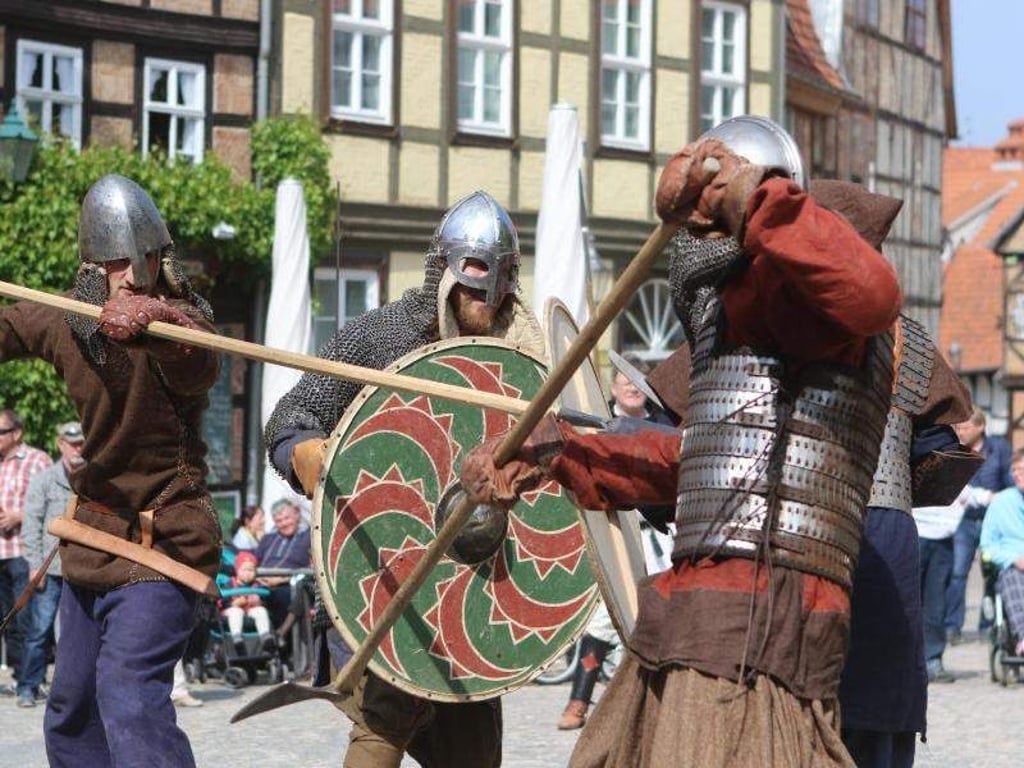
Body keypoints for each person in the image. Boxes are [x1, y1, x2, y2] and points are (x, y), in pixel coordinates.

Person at [461, 118, 903, 766]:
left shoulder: (809, 304)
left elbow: (873, 295)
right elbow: (698, 465)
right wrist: (556, 453)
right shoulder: (743, 332)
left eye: (711, 225)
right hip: (688, 620)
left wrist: (746, 197)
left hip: (764, 629)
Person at [265, 189, 545, 768]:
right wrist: (311, 456)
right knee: (380, 732)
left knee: (472, 758)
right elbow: (291, 416)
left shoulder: (524, 357)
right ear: (443, 274)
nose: (481, 303)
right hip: (391, 580)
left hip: (478, 588)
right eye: (469, 287)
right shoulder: (387, 336)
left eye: (492, 291)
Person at [0, 174, 221, 766]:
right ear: (92, 265)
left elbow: (198, 360)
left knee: (128, 694)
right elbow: (11, 328)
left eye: (140, 260)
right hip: (95, 539)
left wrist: (159, 324)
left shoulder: (180, 323)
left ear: (158, 257)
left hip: (168, 538)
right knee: (71, 707)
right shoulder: (68, 320)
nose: (127, 274)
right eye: (113, 262)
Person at [556, 358, 678, 732]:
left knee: (656, 616)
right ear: (611, 389)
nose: (631, 387)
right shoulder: (593, 425)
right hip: (612, 529)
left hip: (658, 538)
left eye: (636, 382)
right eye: (624, 381)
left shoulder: (666, 428)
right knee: (605, 619)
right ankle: (578, 701)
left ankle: (648, 708)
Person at [16, 422, 86, 709]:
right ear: (60, 445)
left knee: (78, 632)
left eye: (81, 443)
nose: (77, 448)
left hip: (84, 569)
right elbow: (31, 523)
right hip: (51, 567)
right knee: (39, 629)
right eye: (72, 443)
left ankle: (75, 690)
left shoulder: (94, 479)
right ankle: (28, 686)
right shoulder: (45, 480)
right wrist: (34, 564)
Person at [945, 407, 1012, 643]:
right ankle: (952, 626)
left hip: (993, 521)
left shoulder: (1000, 449)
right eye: (959, 427)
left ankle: (988, 625)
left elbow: (1010, 483)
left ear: (981, 427)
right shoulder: (954, 449)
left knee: (992, 575)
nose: (960, 431)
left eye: (965, 427)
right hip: (964, 520)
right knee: (957, 573)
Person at [980, 450, 1024, 655]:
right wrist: (1013, 560)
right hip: (1011, 567)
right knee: (1012, 576)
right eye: (1014, 470)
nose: (1017, 474)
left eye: (1022, 470)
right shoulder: (1001, 503)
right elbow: (987, 546)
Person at [254, 498, 311, 629]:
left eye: (287, 518)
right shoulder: (268, 539)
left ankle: (281, 637)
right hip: (260, 583)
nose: (284, 523)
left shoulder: (308, 537)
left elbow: (312, 567)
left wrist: (281, 579)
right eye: (279, 521)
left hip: (289, 585)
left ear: (297, 515)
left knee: (283, 597)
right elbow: (254, 560)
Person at [221, 550, 275, 654]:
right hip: (232, 610)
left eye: (251, 570)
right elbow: (222, 601)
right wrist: (233, 604)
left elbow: (267, 598)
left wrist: (259, 600)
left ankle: (265, 637)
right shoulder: (230, 583)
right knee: (236, 612)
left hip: (251, 611)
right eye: (244, 570)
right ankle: (237, 638)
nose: (248, 573)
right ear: (237, 570)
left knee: (261, 610)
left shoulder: (257, 585)